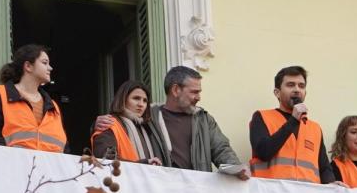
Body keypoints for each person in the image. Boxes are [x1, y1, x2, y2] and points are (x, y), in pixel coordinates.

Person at [93, 66, 247, 178]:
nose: (199, 97)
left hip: (199, 192)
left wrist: (237, 168)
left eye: (199, 92)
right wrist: (97, 123)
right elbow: (118, 127)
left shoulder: (204, 120)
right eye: (194, 92)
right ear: (175, 90)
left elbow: (221, 149)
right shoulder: (149, 117)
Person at [249, 66, 334, 184]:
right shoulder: (261, 117)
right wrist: (293, 121)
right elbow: (263, 152)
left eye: (301, 86)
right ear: (277, 93)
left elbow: (324, 168)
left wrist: (332, 183)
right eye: (290, 85)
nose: (297, 89)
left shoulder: (315, 128)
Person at [0, 44, 67, 152]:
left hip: (49, 169)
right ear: (28, 66)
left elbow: (65, 148)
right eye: (44, 63)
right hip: (11, 167)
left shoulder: (54, 107)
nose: (50, 68)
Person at [91, 80, 167, 165]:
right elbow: (105, 159)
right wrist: (143, 164)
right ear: (123, 99)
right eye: (136, 98)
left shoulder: (149, 128)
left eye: (145, 100)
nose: (141, 104)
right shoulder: (108, 123)